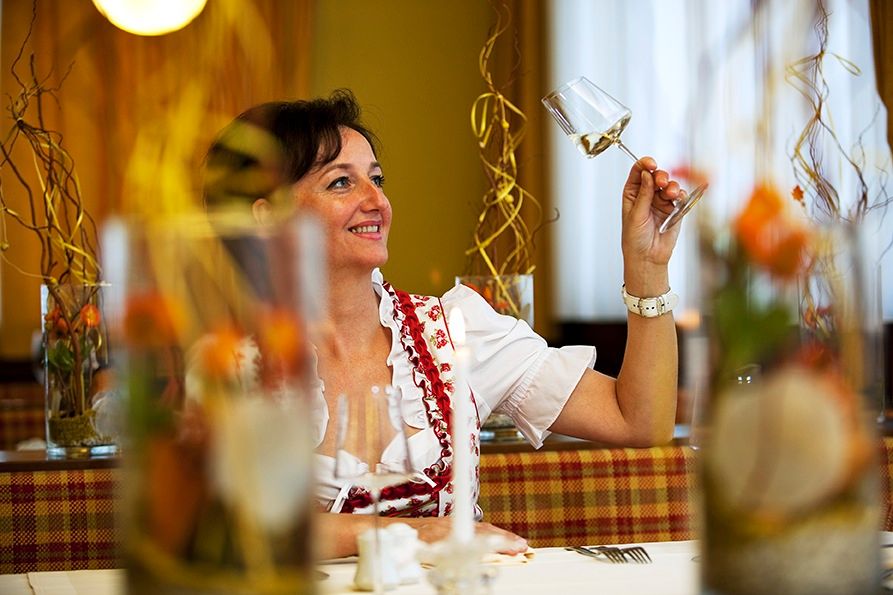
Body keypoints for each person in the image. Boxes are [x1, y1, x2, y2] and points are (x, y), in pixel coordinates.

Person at [203, 89, 682, 559]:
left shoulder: (454, 331)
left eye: (377, 179)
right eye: (341, 182)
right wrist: (417, 534)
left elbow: (639, 421)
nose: (377, 201)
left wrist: (647, 267)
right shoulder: (233, 364)